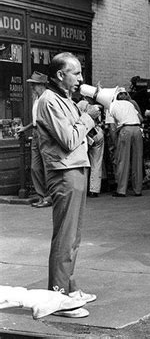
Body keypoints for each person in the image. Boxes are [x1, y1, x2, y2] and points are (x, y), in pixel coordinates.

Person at [36, 52, 100, 317]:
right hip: (65, 172)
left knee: (72, 235)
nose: (81, 79)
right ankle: (58, 297)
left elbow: (78, 135)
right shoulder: (49, 100)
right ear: (60, 75)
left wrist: (89, 126)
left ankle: (69, 288)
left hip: (74, 169)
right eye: (76, 73)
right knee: (65, 236)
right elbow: (69, 139)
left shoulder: (64, 99)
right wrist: (89, 118)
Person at [16, 71, 52, 208]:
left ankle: (49, 197)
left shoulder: (48, 98)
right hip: (36, 133)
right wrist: (26, 128)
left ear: (42, 85)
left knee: (47, 166)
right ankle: (41, 195)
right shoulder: (37, 99)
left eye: (34, 85)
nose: (32, 88)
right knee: (35, 167)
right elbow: (36, 120)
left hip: (45, 134)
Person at [109, 89, 144, 197]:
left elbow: (111, 127)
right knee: (137, 160)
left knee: (123, 160)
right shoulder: (130, 104)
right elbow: (141, 118)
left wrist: (114, 142)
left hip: (125, 130)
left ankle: (121, 190)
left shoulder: (110, 106)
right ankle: (138, 189)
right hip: (137, 130)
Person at [76, 96, 105, 198]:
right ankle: (94, 189)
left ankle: (83, 188)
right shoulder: (95, 107)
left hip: (86, 135)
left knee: (84, 162)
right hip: (97, 133)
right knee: (97, 162)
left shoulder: (80, 104)